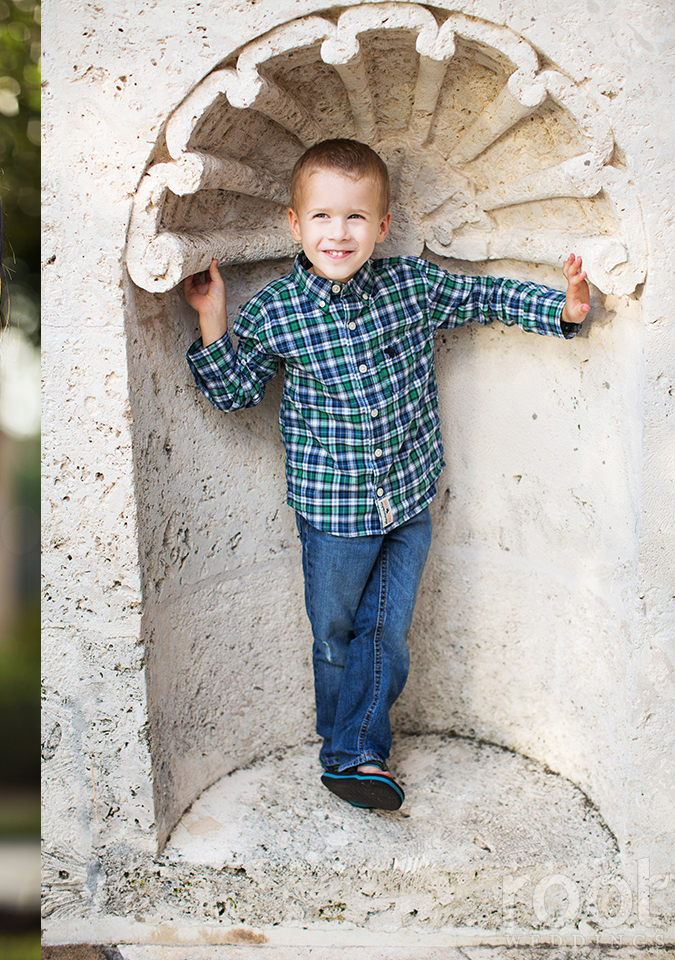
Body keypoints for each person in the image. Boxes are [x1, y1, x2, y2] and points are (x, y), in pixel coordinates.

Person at [182, 138, 591, 812]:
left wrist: (562, 308)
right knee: (336, 636)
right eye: (321, 217)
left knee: (386, 634)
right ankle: (345, 739)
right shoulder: (277, 312)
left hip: (406, 502)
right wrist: (211, 317)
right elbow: (232, 394)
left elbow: (481, 297)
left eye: (354, 218)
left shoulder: (412, 287)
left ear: (382, 224)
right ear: (295, 224)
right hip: (332, 516)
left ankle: (354, 754)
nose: (337, 233)